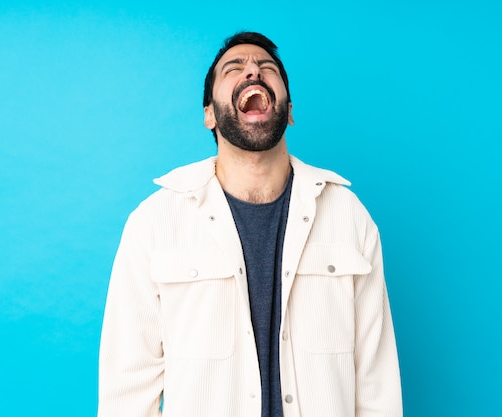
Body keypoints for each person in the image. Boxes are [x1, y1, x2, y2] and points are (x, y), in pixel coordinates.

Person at [98, 31, 402, 417]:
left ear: (289, 110)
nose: (253, 71)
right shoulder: (154, 222)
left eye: (267, 68)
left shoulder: (348, 215)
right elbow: (127, 391)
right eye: (234, 68)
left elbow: (377, 385)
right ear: (209, 112)